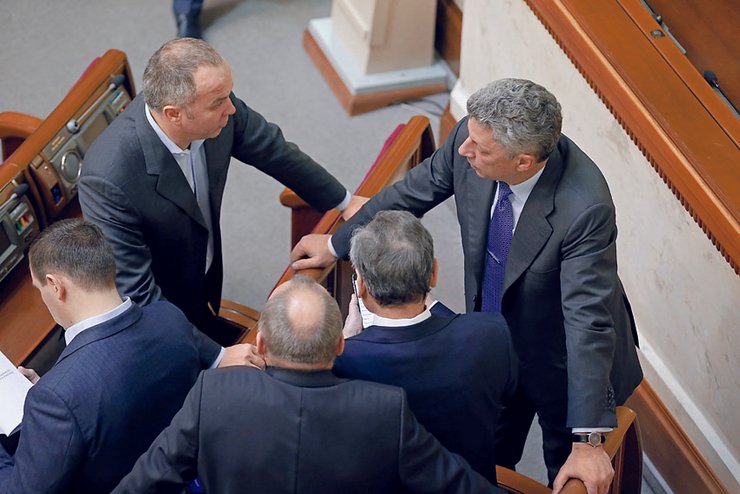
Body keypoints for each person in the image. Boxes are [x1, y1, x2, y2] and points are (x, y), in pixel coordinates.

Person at [290, 78, 643, 494]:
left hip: (563, 356)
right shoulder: (472, 137)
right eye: (469, 137)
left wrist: (587, 440)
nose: (464, 150)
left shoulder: (584, 208)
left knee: (567, 471)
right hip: (492, 340)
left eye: (480, 149)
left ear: (523, 162)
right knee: (487, 453)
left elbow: (586, 320)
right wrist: (337, 244)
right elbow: (410, 193)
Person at [79, 38, 360, 352]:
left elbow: (274, 150)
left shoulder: (217, 107)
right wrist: (217, 357)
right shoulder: (108, 179)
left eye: (228, 95)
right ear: (174, 114)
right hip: (164, 307)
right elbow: (140, 295)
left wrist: (345, 202)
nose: (232, 108)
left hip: (203, 276)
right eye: (218, 103)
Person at [113, 275, 501, 494]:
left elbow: (144, 483)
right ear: (340, 345)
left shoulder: (212, 394)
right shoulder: (386, 410)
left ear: (261, 344)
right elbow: (462, 487)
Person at [0, 219, 202, 493]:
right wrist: (49, 393)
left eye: (40, 289)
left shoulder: (57, 398)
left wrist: (52, 397)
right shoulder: (170, 318)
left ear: (55, 285)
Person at [332, 210, 517, 483]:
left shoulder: (342, 363)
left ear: (361, 286)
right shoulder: (491, 335)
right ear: (434, 274)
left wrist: (346, 343)